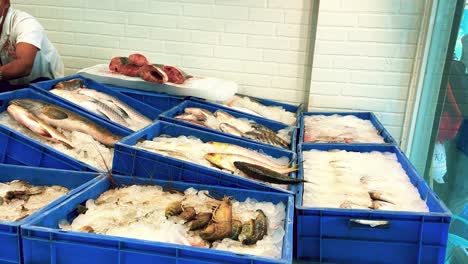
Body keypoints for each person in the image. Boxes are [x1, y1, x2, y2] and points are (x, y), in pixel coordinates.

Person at [0, 0, 63, 92]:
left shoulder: (26, 24)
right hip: (13, 83)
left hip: (46, 83)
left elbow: (24, 65)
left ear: (6, 2)